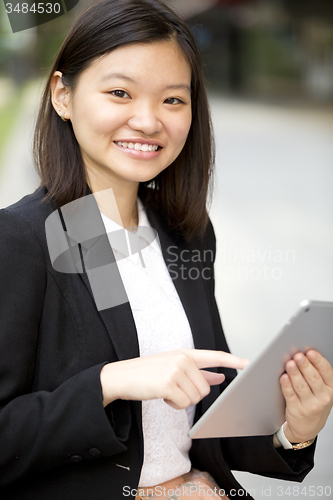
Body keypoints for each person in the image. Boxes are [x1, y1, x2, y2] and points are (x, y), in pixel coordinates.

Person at [0, 0, 332, 499]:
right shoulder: (22, 239)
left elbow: (198, 428)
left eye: (173, 100)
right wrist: (110, 382)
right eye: (119, 93)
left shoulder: (185, 235)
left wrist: (295, 427)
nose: (149, 120)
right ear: (62, 95)